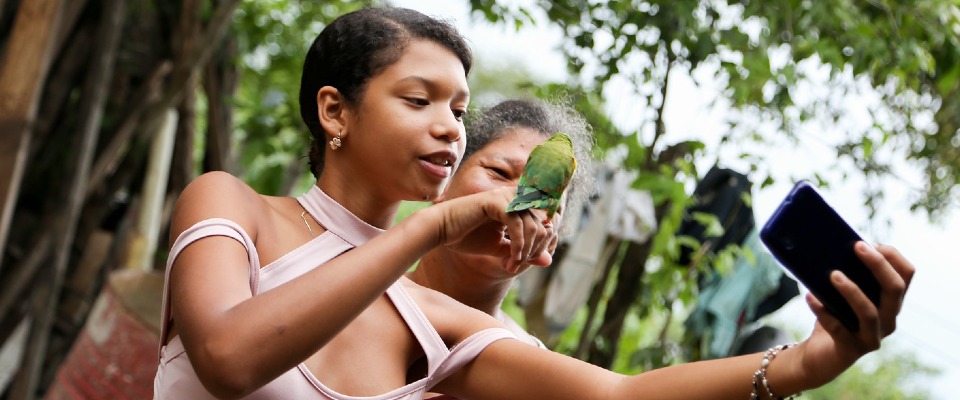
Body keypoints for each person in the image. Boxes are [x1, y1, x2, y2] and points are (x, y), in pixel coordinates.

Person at [156, 5, 915, 400]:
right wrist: (434, 228)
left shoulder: (441, 328)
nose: (447, 127)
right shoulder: (231, 206)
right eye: (419, 99)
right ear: (334, 112)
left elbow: (620, 396)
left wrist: (808, 364)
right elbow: (228, 359)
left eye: (458, 110)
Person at [407, 98, 595, 347]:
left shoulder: (530, 360)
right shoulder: (358, 288)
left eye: (544, 195)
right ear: (443, 183)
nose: (518, 200)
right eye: (501, 172)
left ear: (551, 242)